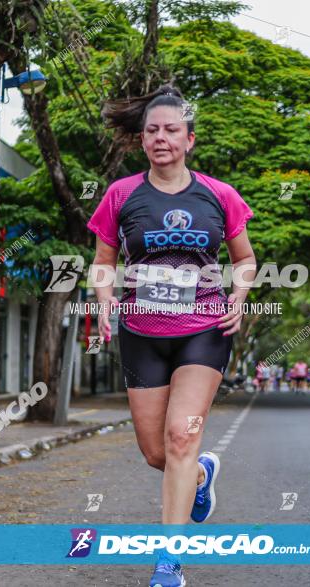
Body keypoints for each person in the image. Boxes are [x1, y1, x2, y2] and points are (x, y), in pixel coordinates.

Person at [90, 84, 256, 587]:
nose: (161, 138)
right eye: (152, 131)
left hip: (203, 329)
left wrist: (237, 297)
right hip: (141, 331)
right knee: (157, 453)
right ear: (142, 141)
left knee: (181, 438)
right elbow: (103, 263)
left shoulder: (218, 195)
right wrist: (103, 302)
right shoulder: (122, 195)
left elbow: (244, 259)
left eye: (172, 130)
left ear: (189, 140)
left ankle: (169, 562)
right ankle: (203, 475)